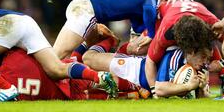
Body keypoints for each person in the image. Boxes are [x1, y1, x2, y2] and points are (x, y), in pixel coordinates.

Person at [0, 9, 118, 102]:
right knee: (56, 69)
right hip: (26, 22)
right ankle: (99, 76)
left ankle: (8, 89)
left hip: (8, 25)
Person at [142, 0, 224, 98]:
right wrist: (154, 93)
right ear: (190, 50)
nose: (206, 62)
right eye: (204, 58)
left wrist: (222, 63)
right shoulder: (166, 33)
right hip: (161, 14)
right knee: (139, 48)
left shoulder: (212, 24)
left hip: (194, 13)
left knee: (211, 45)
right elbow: (150, 61)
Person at [0, 48, 140, 102]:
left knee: (101, 96)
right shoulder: (16, 52)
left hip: (62, 95)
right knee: (82, 61)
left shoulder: (3, 91)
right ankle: (137, 86)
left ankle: (134, 94)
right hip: (67, 76)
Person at [53, 0, 161, 61]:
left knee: (64, 57)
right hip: (86, 12)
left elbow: (138, 28)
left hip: (83, 5)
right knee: (56, 56)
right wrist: (151, 34)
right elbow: (149, 8)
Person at [82, 41, 213, 99]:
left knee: (100, 89)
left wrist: (201, 88)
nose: (206, 62)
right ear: (191, 52)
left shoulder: (200, 68)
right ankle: (108, 40)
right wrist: (189, 86)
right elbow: (161, 90)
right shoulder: (175, 56)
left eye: (208, 59)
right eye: (203, 57)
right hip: (134, 69)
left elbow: (204, 100)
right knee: (88, 58)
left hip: (141, 89)